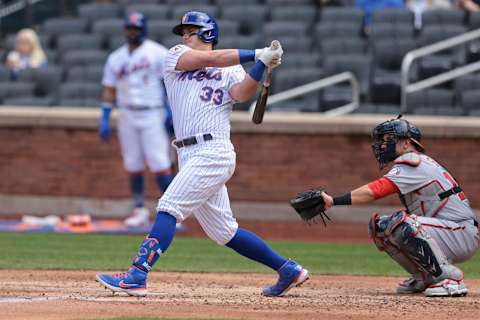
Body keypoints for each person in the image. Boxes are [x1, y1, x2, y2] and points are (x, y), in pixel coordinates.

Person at [96, 11, 309, 298]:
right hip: (187, 151)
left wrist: (261, 64)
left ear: (208, 33)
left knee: (168, 206)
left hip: (213, 150)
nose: (185, 36)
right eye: (183, 31)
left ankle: (137, 274)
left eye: (191, 31)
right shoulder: (175, 56)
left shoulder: (232, 69)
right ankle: (287, 269)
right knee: (224, 232)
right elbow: (211, 59)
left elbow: (242, 94)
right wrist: (259, 52)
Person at [315, 116, 479, 297]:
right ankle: (424, 277)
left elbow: (375, 191)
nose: (383, 145)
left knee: (402, 223)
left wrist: (333, 201)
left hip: (460, 233)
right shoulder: (416, 162)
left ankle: (450, 279)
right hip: (447, 230)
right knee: (380, 227)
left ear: (407, 143)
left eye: (389, 139)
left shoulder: (413, 162)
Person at [99, 12, 175, 227]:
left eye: (137, 29)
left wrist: (171, 110)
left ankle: (173, 212)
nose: (133, 32)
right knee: (132, 163)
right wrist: (104, 116)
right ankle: (139, 209)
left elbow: (170, 83)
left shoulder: (157, 52)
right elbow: (109, 89)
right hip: (127, 114)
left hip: (153, 112)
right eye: (130, 28)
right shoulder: (116, 57)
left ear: (144, 29)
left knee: (160, 162)